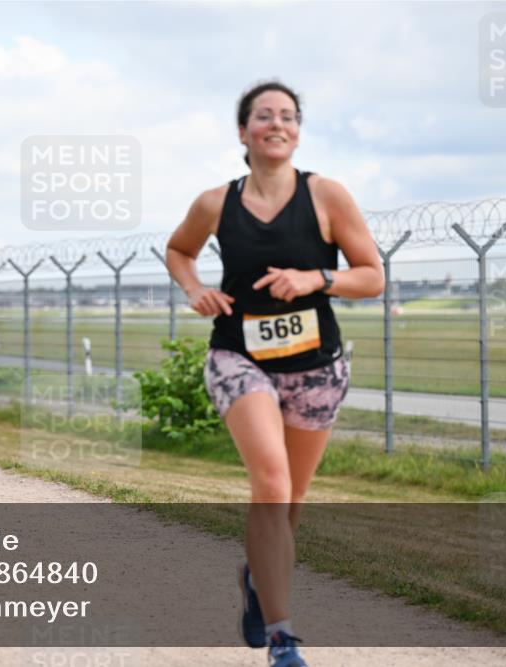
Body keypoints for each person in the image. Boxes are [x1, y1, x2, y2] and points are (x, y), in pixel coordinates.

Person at [165, 81, 383, 667]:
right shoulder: (216, 202)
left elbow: (372, 276)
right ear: (244, 132)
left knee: (291, 502)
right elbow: (179, 250)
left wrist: (318, 278)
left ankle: (259, 580)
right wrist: (195, 290)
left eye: (288, 116)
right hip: (239, 357)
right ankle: (284, 639)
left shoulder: (327, 196)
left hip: (316, 367)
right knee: (273, 482)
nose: (277, 124)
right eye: (264, 116)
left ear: (297, 130)